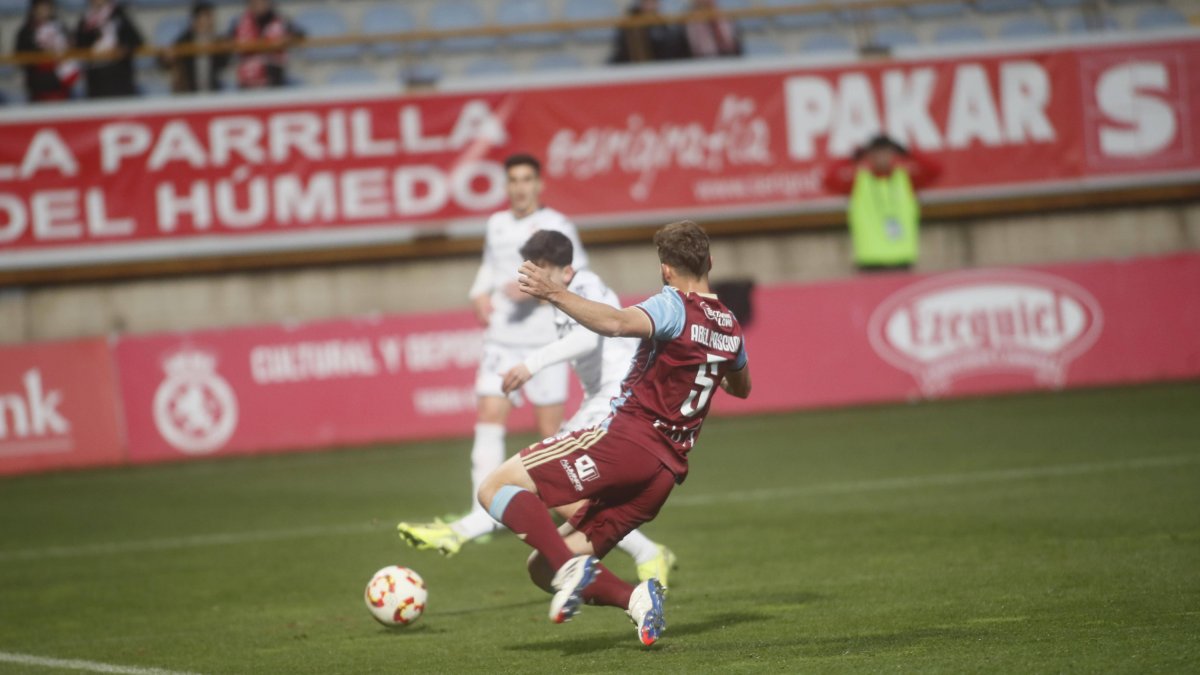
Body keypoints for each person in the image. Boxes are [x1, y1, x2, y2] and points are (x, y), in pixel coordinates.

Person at [477, 220, 752, 646]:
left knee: (494, 486)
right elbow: (742, 387)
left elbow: (618, 324)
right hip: (663, 475)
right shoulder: (730, 327)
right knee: (542, 567)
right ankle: (636, 599)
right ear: (710, 262)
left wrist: (554, 292)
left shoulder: (673, 305)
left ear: (665, 270)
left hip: (625, 444)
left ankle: (571, 572)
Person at [397, 155, 593, 559]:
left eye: (526, 180)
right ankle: (480, 512)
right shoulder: (496, 224)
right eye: (513, 181)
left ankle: (583, 516)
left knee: (549, 436)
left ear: (539, 185)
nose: (520, 187)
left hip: (543, 346)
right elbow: (489, 266)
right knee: (488, 417)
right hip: (502, 341)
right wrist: (479, 293)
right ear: (507, 186)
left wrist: (539, 287)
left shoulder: (559, 225)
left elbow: (579, 276)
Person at [823, 133, 942, 272]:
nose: (882, 158)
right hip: (870, 261)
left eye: (886, 152)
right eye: (877, 153)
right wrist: (852, 158)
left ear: (893, 154)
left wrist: (908, 153)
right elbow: (828, 179)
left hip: (902, 259)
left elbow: (936, 170)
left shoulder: (906, 179)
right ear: (870, 156)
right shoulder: (858, 181)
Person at [74, 0, 143, 98]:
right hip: (95, 76)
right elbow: (79, 46)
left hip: (118, 75)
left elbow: (136, 40)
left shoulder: (119, 15)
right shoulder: (85, 19)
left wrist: (123, 50)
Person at [14, 0, 80, 103]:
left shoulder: (60, 27)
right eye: (40, 7)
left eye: (46, 7)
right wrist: (42, 54)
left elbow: (72, 48)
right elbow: (20, 56)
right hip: (38, 87)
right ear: (34, 9)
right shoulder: (26, 31)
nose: (43, 11)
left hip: (60, 85)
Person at [231, 0, 303, 89]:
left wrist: (286, 39)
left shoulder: (281, 20)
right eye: (255, 2)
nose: (259, 5)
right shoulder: (239, 22)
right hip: (247, 76)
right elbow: (226, 43)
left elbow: (299, 34)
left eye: (263, 2)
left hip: (274, 74)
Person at [160, 1, 228, 93]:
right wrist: (167, 58)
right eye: (205, 17)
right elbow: (164, 61)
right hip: (189, 94)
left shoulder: (216, 41)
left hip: (212, 93)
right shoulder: (184, 41)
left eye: (210, 17)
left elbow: (224, 63)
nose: (209, 22)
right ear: (195, 20)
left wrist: (225, 50)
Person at [609, 0, 690, 64]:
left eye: (654, 2)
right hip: (636, 68)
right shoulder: (631, 23)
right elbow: (624, 50)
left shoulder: (662, 22)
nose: (651, 5)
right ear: (640, 3)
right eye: (647, 2)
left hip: (661, 66)